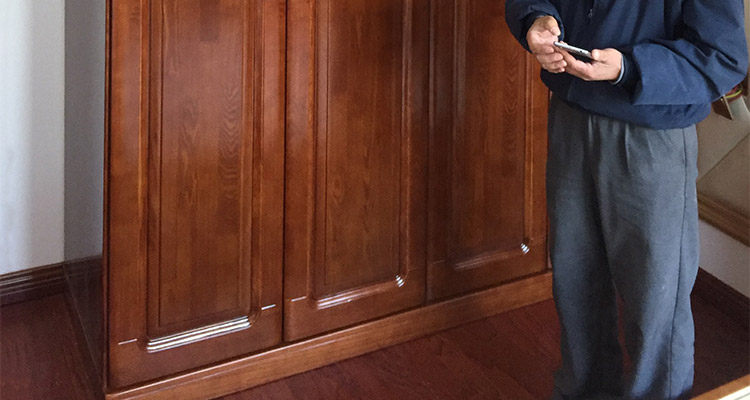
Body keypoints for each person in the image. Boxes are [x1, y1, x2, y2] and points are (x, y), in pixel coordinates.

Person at [504, 1, 748, 399]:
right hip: (570, 118)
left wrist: (629, 68)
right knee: (576, 282)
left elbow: (723, 58)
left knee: (655, 303)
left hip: (651, 135)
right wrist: (536, 19)